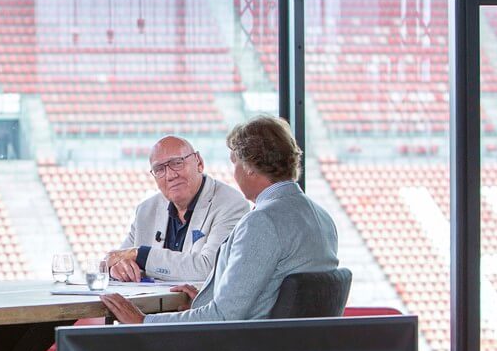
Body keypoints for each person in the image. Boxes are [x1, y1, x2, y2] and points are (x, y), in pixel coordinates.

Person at [100, 115, 339, 325]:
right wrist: (203, 303)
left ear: (249, 167)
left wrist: (143, 321)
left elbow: (224, 318)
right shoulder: (323, 218)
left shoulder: (261, 222)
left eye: (234, 162)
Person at [105, 135, 249, 283]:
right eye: (159, 169)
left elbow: (210, 270)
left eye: (177, 163)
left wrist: (140, 255)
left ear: (199, 162)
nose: (170, 175)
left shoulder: (231, 204)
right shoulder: (146, 210)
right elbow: (118, 259)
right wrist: (117, 269)